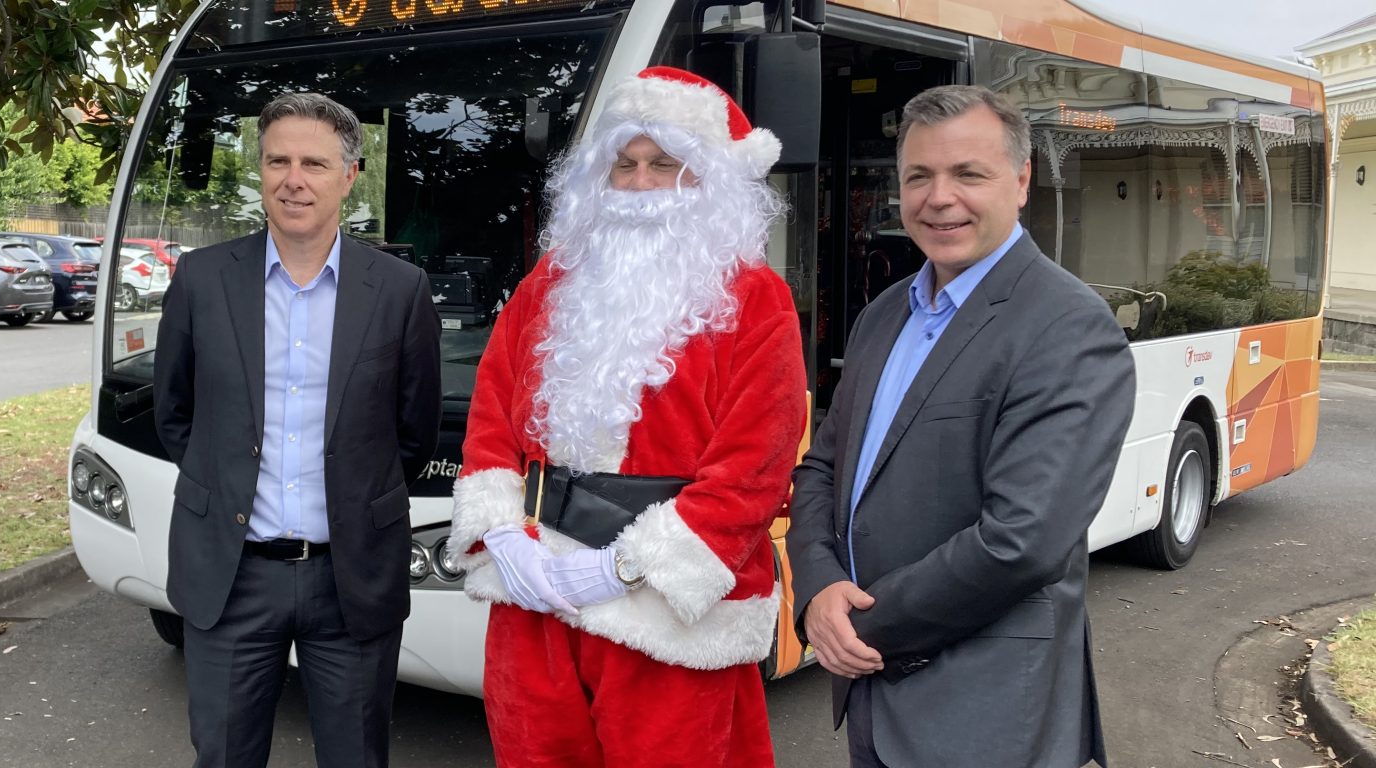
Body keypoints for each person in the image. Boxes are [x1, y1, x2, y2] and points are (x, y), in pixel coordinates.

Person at [447, 66, 806, 767]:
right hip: (536, 592)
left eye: (665, 164)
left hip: (666, 616)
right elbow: (490, 411)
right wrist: (501, 536)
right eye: (625, 163)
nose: (640, 183)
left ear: (710, 183)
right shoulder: (548, 284)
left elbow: (754, 468)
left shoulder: (757, 299)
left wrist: (629, 569)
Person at [786, 84, 1136, 768]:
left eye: (968, 174)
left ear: (1022, 180)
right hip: (872, 701)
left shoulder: (1068, 327)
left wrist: (856, 623)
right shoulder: (885, 314)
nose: (938, 198)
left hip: (986, 717)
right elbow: (823, 469)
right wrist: (818, 588)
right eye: (919, 176)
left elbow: (1021, 540)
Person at [152, 92, 443, 768]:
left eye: (314, 162)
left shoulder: (400, 290)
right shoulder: (201, 279)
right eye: (277, 161)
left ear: (349, 175)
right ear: (260, 171)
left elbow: (413, 431)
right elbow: (174, 414)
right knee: (223, 757)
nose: (293, 179)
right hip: (231, 576)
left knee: (356, 758)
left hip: (351, 578)